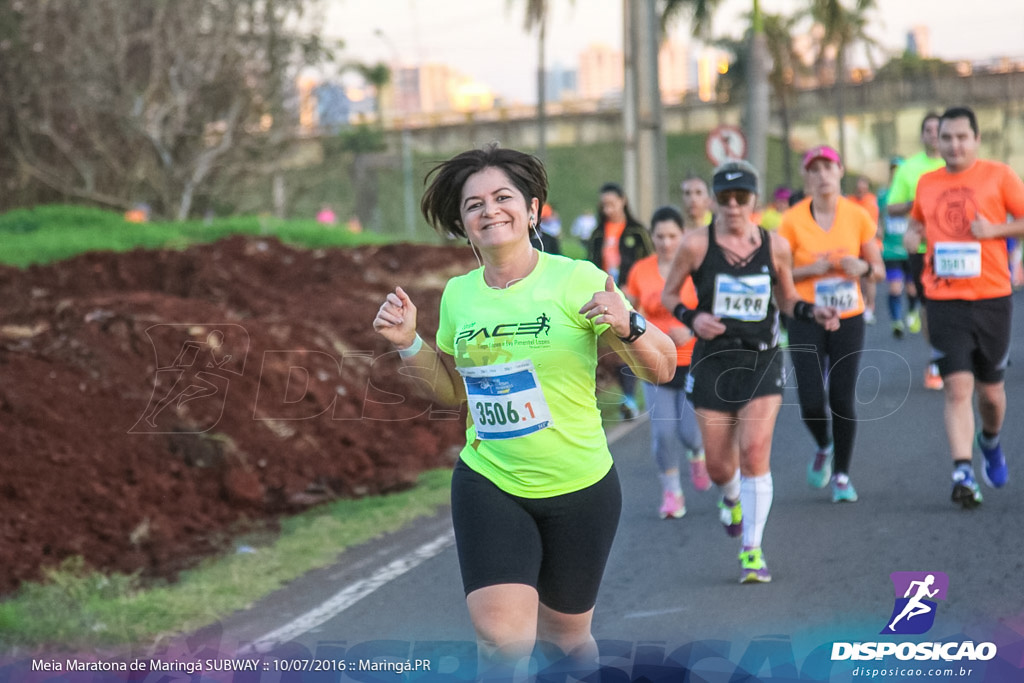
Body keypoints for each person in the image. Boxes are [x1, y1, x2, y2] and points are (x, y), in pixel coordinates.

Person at [373, 144, 675, 676]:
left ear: (532, 210)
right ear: (462, 225)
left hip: (580, 486)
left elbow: (664, 369)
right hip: (491, 480)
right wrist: (407, 344)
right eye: (474, 205)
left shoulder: (576, 279)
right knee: (501, 640)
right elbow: (451, 393)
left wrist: (630, 324)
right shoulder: (458, 296)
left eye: (502, 197)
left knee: (565, 642)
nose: (489, 210)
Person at [662, 160, 840, 583]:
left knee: (755, 453)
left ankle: (752, 550)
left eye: (742, 198)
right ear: (714, 201)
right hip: (713, 361)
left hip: (761, 358)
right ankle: (730, 498)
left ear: (754, 201)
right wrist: (693, 317)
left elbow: (787, 299)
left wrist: (814, 311)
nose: (734, 206)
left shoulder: (775, 246)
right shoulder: (695, 245)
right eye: (725, 198)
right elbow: (670, 295)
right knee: (722, 467)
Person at [903, 106, 1024, 508]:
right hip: (943, 298)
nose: (953, 145)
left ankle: (989, 442)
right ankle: (962, 471)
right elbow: (920, 222)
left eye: (961, 137)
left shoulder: (999, 176)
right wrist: (912, 233)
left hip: (991, 297)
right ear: (937, 142)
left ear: (975, 140)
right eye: (946, 138)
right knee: (957, 387)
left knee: (991, 394)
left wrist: (996, 230)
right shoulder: (926, 182)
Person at [779, 146, 884, 503]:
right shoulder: (791, 220)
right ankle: (823, 444)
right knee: (810, 400)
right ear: (806, 177)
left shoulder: (858, 216)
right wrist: (811, 269)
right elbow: (778, 274)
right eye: (814, 169)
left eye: (829, 167)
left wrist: (864, 268)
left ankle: (841, 475)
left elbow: (879, 269)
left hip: (847, 316)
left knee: (841, 397)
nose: (822, 175)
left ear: (841, 171)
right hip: (805, 314)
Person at [623, 205, 712, 520]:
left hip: (692, 360)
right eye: (659, 236)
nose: (665, 242)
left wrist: (689, 329)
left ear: (683, 234)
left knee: (689, 433)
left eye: (672, 235)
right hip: (655, 361)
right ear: (652, 236)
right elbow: (630, 310)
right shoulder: (640, 271)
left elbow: (712, 312)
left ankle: (697, 454)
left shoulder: (697, 269)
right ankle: (672, 492)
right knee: (663, 433)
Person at [586, 182, 655, 419]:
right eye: (604, 205)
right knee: (609, 351)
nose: (608, 209)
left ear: (623, 200)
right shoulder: (597, 234)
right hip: (605, 297)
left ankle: (629, 399)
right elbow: (589, 267)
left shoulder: (637, 232)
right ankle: (612, 399)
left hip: (633, 297)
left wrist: (634, 287)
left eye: (612, 203)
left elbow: (650, 263)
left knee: (628, 345)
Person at [888, 112, 946, 390]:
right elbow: (891, 206)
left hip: (956, 247)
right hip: (922, 248)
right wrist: (917, 202)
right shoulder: (909, 168)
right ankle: (937, 356)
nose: (933, 134)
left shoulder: (958, 164)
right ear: (922, 135)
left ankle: (965, 353)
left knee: (964, 302)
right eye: (928, 129)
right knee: (929, 305)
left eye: (938, 129)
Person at [877, 156, 923, 339]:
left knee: (912, 289)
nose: (896, 173)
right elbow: (878, 217)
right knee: (895, 288)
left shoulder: (915, 195)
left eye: (899, 169)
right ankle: (896, 321)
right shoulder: (883, 195)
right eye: (893, 169)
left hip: (911, 249)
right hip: (891, 249)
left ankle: (912, 312)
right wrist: (878, 228)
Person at [849, 176, 880, 324]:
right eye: (859, 187)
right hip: (855, 244)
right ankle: (860, 303)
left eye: (864, 187)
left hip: (871, 243)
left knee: (870, 276)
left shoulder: (873, 201)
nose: (861, 190)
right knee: (858, 277)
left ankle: (870, 307)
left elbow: (880, 218)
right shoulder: (849, 201)